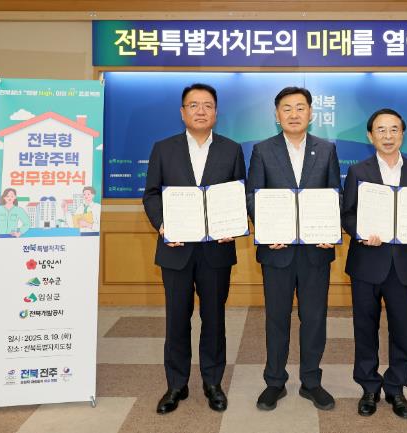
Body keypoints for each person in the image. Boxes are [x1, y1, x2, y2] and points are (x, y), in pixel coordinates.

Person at [142, 83, 246, 414]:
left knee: (214, 318)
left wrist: (233, 226)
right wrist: (163, 224)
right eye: (193, 105)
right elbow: (151, 194)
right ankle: (176, 384)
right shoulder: (164, 148)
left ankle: (213, 383)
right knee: (177, 318)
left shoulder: (231, 150)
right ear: (182, 112)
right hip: (176, 248)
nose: (201, 111)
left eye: (207, 105)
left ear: (216, 112)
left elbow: (238, 195)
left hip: (216, 250)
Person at [245, 86, 341, 411]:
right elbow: (252, 196)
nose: (294, 114)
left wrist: (331, 230)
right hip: (277, 249)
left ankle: (311, 382)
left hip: (316, 250)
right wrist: (267, 228)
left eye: (301, 108)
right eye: (287, 108)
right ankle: (275, 382)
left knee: (314, 318)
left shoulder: (326, 150)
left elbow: (336, 195)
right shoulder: (262, 150)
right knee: (277, 318)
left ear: (311, 114)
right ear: (277, 115)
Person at [341, 108, 407, 419]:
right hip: (367, 262)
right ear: (370, 136)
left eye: (394, 129)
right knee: (365, 327)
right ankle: (369, 387)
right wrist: (362, 233)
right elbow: (347, 214)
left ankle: (396, 388)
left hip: (404, 264)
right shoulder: (358, 171)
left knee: (403, 329)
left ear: (402, 134)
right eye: (381, 130)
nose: (388, 136)